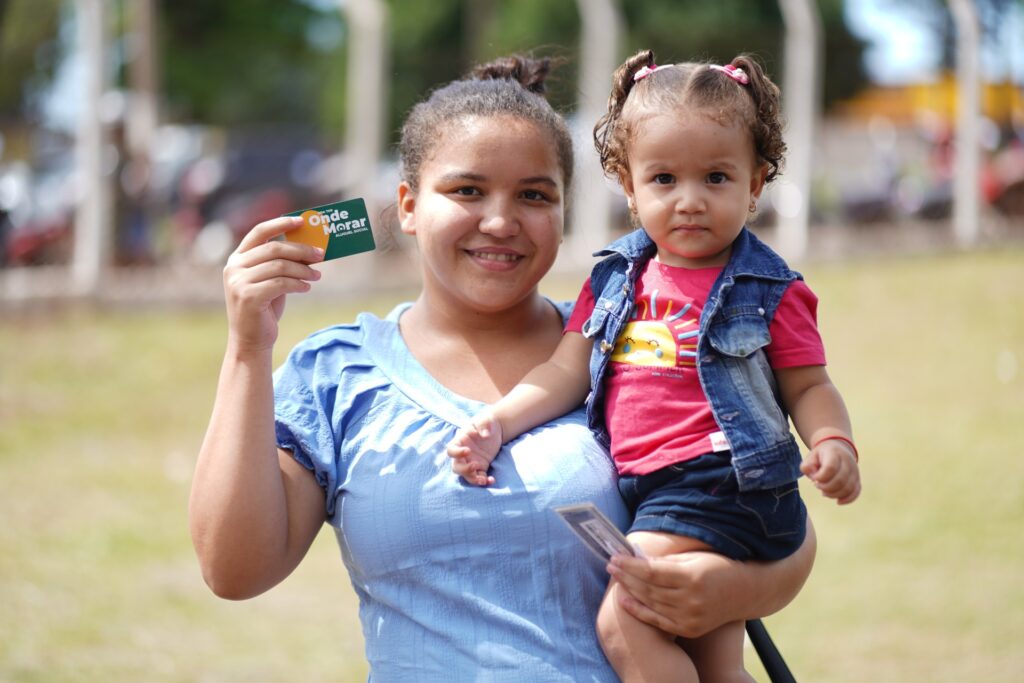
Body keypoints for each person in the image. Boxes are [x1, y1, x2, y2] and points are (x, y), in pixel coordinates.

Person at [189, 54, 817, 682]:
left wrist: (728, 591)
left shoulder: (629, 343)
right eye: (467, 190)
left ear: (566, 211)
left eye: (534, 195)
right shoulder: (336, 374)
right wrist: (247, 349)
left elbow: (774, 519)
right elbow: (235, 570)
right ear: (408, 205)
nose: (499, 221)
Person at [446, 50, 861, 683]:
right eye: (664, 179)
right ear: (629, 187)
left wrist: (833, 441)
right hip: (655, 491)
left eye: (716, 179)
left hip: (724, 484)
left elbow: (809, 384)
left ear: (755, 184)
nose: (690, 201)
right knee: (716, 664)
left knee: (626, 618)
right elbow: (565, 372)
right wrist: (498, 422)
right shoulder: (615, 279)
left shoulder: (767, 287)